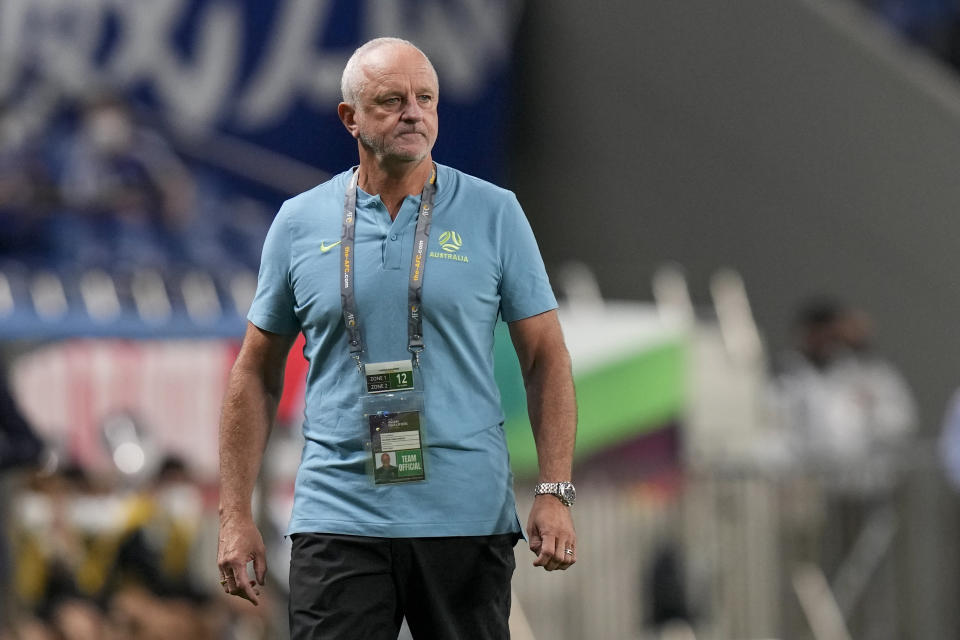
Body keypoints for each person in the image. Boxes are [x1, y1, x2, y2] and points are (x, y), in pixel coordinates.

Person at [217, 37, 578, 639]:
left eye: (426, 98)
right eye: (391, 99)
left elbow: (545, 355)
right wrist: (234, 516)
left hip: (465, 516)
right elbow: (255, 371)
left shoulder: (496, 213)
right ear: (349, 117)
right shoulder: (299, 221)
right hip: (338, 516)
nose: (414, 111)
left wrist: (555, 490)